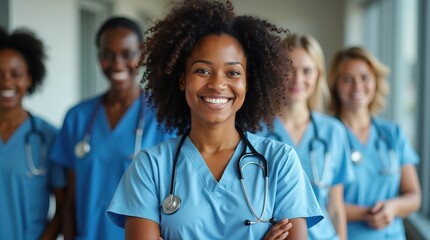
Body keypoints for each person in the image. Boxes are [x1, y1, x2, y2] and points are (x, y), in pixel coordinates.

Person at [106, 1, 324, 239]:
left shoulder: (280, 162)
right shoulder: (150, 167)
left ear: (247, 83)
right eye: (202, 71)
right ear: (182, 79)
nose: (218, 84)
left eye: (233, 73)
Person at [50, 17, 175, 240]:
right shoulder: (77, 117)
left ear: (142, 56)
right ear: (99, 57)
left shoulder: (163, 116)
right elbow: (69, 199)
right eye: (108, 54)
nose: (117, 63)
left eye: (127, 54)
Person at [257, 34, 355, 240]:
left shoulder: (333, 131)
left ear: (318, 74)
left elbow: (336, 207)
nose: (297, 78)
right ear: (276, 72)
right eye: (289, 69)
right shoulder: (256, 130)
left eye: (307, 71)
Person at [327, 46, 421, 240]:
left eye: (365, 77)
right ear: (335, 84)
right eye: (347, 79)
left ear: (375, 82)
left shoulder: (392, 133)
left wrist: (393, 207)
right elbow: (322, 202)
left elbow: (414, 196)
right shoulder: (327, 135)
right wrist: (369, 214)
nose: (357, 86)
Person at [0, 27, 66, 240]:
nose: (6, 82)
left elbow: (64, 206)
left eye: (16, 74)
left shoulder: (48, 137)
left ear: (29, 78)